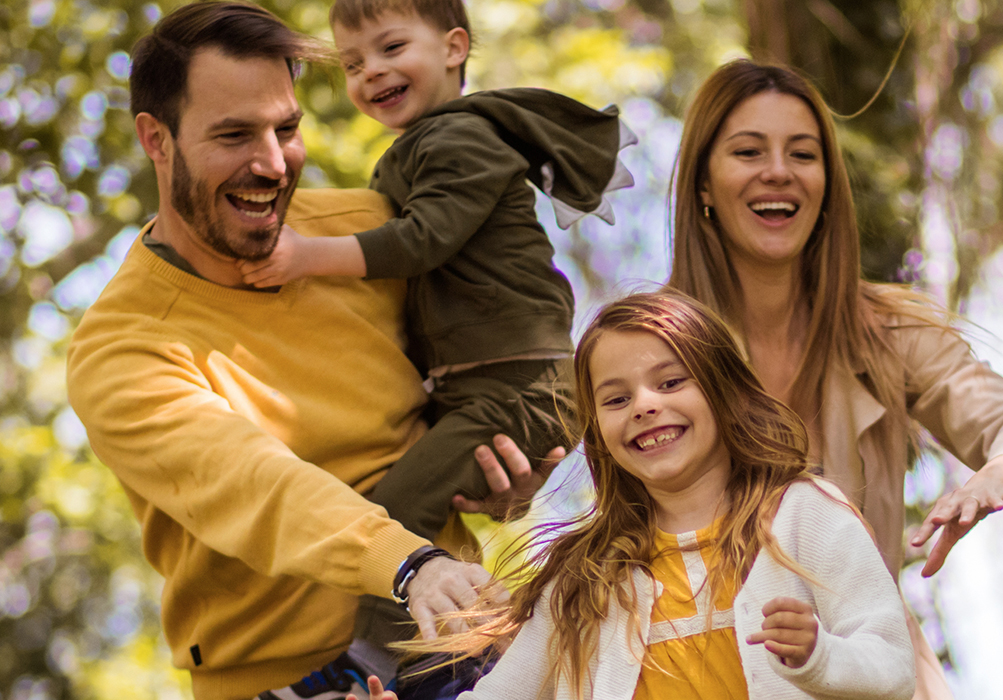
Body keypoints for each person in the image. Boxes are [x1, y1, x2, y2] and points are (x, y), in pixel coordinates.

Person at [66, 4, 556, 699]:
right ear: (157, 139)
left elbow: (490, 360)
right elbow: (258, 485)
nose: (271, 163)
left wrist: (513, 476)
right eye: (234, 135)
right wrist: (407, 562)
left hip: (457, 651)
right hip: (285, 680)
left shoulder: (367, 236)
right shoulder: (121, 350)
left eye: (286, 129)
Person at [667, 59, 1003, 697]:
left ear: (827, 183)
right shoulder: (652, 348)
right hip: (702, 675)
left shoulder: (887, 332)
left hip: (872, 676)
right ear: (702, 184)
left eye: (802, 153)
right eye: (748, 150)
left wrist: (1001, 472)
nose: (778, 170)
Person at [351, 291, 916, 700]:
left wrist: (819, 655)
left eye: (671, 383)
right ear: (597, 433)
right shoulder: (584, 578)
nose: (645, 404)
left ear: (725, 391)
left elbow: (892, 665)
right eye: (616, 399)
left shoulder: (806, 515)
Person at [235, 0, 635, 545]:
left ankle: (381, 633)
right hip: (478, 386)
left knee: (394, 519)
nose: (371, 70)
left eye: (392, 48)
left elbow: (423, 239)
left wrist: (306, 255)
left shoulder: (461, 137)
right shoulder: (418, 147)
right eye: (352, 64)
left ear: (454, 48)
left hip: (519, 385)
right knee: (386, 494)